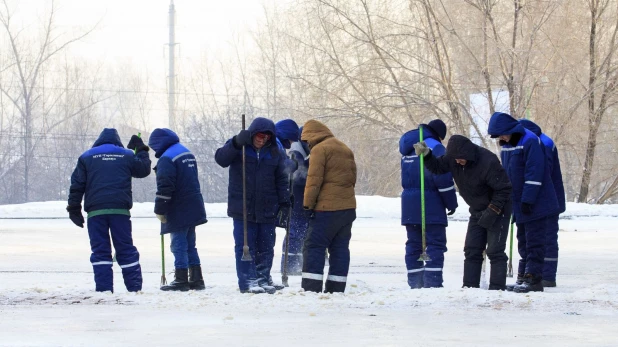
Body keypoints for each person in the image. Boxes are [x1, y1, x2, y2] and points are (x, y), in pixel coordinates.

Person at [415, 134, 512, 290]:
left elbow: (504, 189)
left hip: (498, 208)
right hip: (476, 209)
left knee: (495, 251)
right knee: (472, 249)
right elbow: (438, 167)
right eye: (455, 159)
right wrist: (427, 155)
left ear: (468, 154)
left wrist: (493, 211)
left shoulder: (488, 161)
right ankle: (469, 288)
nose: (457, 162)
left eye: (460, 159)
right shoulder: (453, 159)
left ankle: (497, 289)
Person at [67, 128, 151, 293]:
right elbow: (143, 170)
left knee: (100, 250)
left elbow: (77, 185)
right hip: (120, 211)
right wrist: (140, 149)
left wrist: (74, 208)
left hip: (96, 213)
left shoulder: (86, 156)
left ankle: (104, 290)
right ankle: (134, 289)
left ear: (98, 141)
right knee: (125, 248)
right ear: (117, 141)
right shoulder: (127, 155)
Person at [215, 117, 289, 294]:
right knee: (246, 247)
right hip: (243, 207)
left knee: (266, 245)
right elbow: (221, 159)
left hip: (267, 207)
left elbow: (281, 178)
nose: (262, 139)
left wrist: (285, 201)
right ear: (253, 133)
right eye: (260, 135)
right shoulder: (239, 146)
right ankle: (248, 281)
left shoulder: (274, 152)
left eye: (266, 137)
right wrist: (234, 142)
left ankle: (263, 278)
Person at [487, 112, 559, 293]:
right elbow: (508, 174)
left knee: (534, 241)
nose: (501, 138)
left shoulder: (530, 141)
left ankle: (533, 279)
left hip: (536, 201)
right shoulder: (509, 145)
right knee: (523, 241)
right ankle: (523, 275)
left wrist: (528, 199)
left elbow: (534, 173)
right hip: (519, 202)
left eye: (501, 134)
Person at [148, 128, 208, 292]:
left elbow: (165, 185)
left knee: (178, 244)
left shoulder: (167, 158)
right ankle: (196, 278)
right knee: (190, 244)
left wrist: (160, 208)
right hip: (193, 204)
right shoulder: (186, 152)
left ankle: (181, 279)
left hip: (179, 206)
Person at [400, 120, 458, 288]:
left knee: (414, 244)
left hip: (409, 205)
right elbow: (443, 178)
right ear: (439, 135)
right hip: (431, 204)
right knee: (435, 244)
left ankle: (415, 282)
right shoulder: (436, 147)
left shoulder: (408, 147)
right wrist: (451, 203)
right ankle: (432, 283)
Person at [301, 120, 356, 293]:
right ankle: (336, 288)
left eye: (307, 140)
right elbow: (352, 178)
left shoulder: (320, 149)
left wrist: (307, 205)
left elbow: (313, 181)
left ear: (311, 135)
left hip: (326, 209)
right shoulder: (345, 148)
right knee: (340, 248)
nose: (307, 144)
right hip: (347, 208)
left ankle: (311, 288)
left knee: (314, 246)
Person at [519, 119, 566, 288]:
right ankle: (534, 274)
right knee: (537, 238)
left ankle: (546, 276)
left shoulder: (541, 144)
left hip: (547, 199)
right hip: (543, 198)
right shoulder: (538, 141)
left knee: (546, 238)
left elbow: (538, 171)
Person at [273, 120, 309, 276]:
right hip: (296, 197)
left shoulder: (299, 149)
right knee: (295, 231)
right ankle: (289, 266)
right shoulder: (296, 152)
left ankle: (295, 265)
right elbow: (296, 176)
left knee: (300, 231)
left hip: (299, 197)